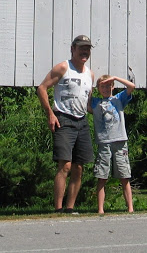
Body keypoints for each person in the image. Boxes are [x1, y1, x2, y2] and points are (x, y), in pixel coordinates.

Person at [36, 34, 95, 214]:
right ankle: (58, 208)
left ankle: (70, 207)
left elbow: (89, 103)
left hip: (82, 121)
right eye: (81, 48)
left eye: (87, 48)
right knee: (65, 165)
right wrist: (50, 115)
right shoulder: (63, 68)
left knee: (78, 166)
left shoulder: (89, 74)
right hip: (64, 119)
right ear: (73, 49)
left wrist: (109, 105)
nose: (84, 52)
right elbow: (41, 88)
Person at [88, 74, 135, 214]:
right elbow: (85, 99)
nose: (105, 88)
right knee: (102, 176)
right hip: (104, 142)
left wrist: (115, 77)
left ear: (113, 86)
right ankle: (101, 209)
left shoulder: (118, 99)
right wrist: (90, 81)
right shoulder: (95, 102)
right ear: (98, 88)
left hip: (119, 141)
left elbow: (131, 86)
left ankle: (130, 208)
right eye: (102, 86)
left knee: (124, 176)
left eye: (108, 85)